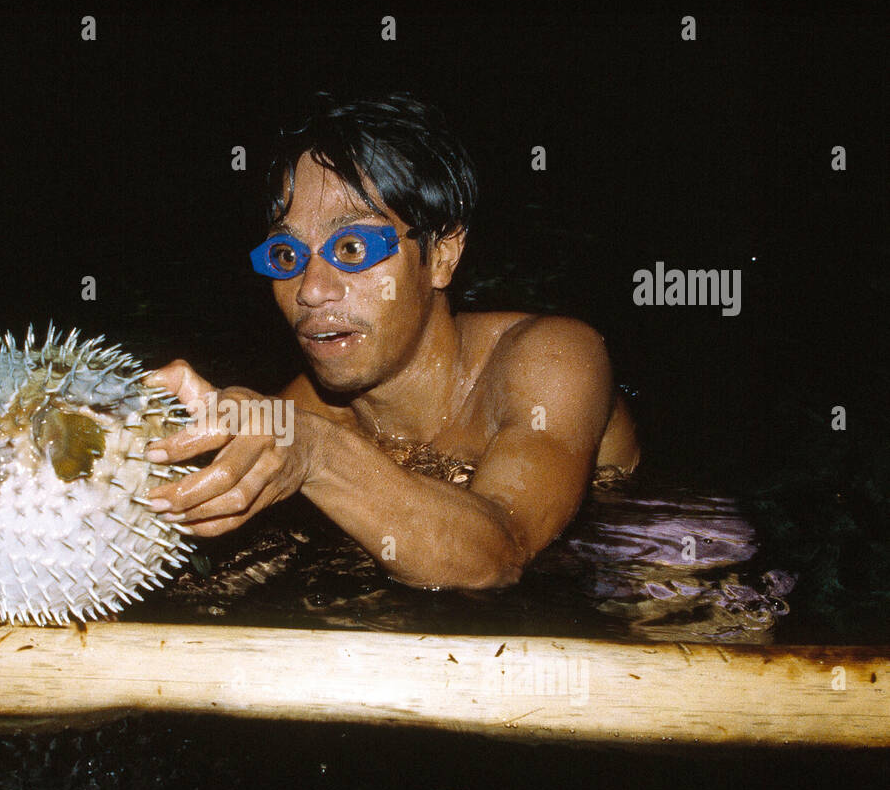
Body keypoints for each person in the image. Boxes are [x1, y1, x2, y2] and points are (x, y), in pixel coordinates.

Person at [144, 94, 639, 590]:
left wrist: (317, 455)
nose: (311, 290)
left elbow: (500, 552)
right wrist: (139, 453)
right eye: (285, 254)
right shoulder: (304, 414)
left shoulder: (553, 358)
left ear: (442, 255)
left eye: (351, 247)